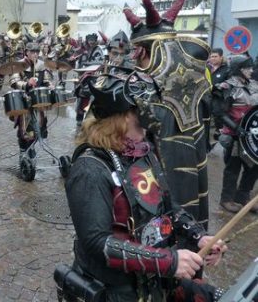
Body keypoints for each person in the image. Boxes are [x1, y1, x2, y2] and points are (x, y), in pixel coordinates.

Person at [59, 72, 227, 302]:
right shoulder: (90, 168)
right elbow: (96, 242)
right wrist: (169, 261)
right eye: (144, 106)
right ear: (124, 115)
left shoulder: (143, 151)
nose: (152, 112)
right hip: (116, 289)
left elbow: (166, 206)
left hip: (155, 278)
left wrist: (198, 236)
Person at [124, 0, 211, 227]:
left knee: (164, 221)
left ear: (144, 51)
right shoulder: (196, 78)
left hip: (159, 173)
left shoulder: (142, 90)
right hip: (194, 163)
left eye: (136, 53)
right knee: (191, 221)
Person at [216, 55, 258, 214]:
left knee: (254, 167)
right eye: (247, 68)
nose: (251, 71)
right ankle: (226, 199)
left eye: (251, 67)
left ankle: (243, 197)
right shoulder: (228, 87)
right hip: (234, 134)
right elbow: (220, 113)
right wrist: (236, 128)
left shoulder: (254, 85)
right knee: (233, 168)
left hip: (252, 135)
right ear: (238, 69)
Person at [9, 41, 53, 180]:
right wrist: (27, 84)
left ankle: (31, 151)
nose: (35, 54)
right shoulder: (19, 65)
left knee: (39, 129)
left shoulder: (41, 65)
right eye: (32, 52)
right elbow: (14, 82)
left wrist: (50, 85)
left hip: (38, 103)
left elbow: (46, 80)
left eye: (36, 52)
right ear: (26, 52)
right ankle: (23, 156)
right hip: (24, 103)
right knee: (25, 132)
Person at [207, 48, 230, 139]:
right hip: (205, 95)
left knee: (218, 113)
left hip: (218, 96)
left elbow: (230, 82)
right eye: (211, 57)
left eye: (215, 56)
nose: (213, 58)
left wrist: (224, 84)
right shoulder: (206, 68)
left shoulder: (226, 69)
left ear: (221, 57)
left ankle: (219, 131)